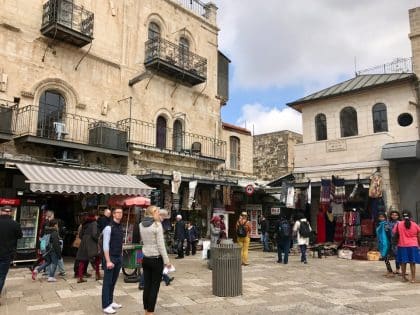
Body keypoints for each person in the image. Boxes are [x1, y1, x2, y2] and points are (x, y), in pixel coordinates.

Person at [140, 206, 172, 315]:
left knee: (147, 286)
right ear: (153, 213)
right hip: (156, 259)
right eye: (158, 212)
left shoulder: (141, 225)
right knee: (154, 287)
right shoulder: (157, 225)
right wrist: (167, 261)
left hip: (145, 259)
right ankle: (150, 312)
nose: (159, 214)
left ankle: (146, 310)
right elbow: (161, 246)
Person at [101, 208, 124, 314]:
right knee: (107, 282)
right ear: (113, 214)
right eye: (118, 212)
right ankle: (105, 305)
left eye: (121, 213)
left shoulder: (120, 227)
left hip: (118, 257)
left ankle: (110, 302)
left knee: (113, 282)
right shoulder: (108, 228)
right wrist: (108, 261)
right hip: (110, 258)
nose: (120, 214)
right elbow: (105, 245)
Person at [0, 206, 22, 303]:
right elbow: (20, 236)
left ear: (1, 212)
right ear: (11, 213)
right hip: (6, 253)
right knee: (1, 275)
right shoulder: (15, 224)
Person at [392, 210, 420, 283]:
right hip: (413, 245)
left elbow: (394, 232)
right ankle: (413, 279)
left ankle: (404, 277)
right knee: (412, 263)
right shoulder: (415, 224)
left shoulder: (398, 224)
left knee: (403, 262)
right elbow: (418, 235)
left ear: (402, 216)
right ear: (410, 216)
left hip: (402, 245)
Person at [75, 212, 101, 283]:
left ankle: (80, 277)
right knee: (97, 258)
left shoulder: (84, 223)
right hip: (92, 242)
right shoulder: (94, 223)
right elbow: (94, 234)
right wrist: (97, 240)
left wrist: (85, 239)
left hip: (84, 242)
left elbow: (80, 235)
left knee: (82, 259)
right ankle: (97, 275)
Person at [376, 212, 393, 277]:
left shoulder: (385, 224)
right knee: (385, 257)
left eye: (382, 217)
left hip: (386, 242)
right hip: (382, 242)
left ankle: (390, 272)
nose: (381, 218)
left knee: (386, 257)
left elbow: (388, 234)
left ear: (385, 218)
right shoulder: (380, 224)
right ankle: (389, 271)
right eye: (380, 217)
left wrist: (389, 242)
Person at [388, 209, 401, 275]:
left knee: (397, 255)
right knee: (394, 255)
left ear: (398, 216)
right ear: (390, 215)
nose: (394, 216)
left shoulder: (400, 223)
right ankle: (393, 269)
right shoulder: (388, 223)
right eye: (392, 215)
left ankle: (398, 269)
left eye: (396, 215)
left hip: (399, 241)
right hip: (391, 240)